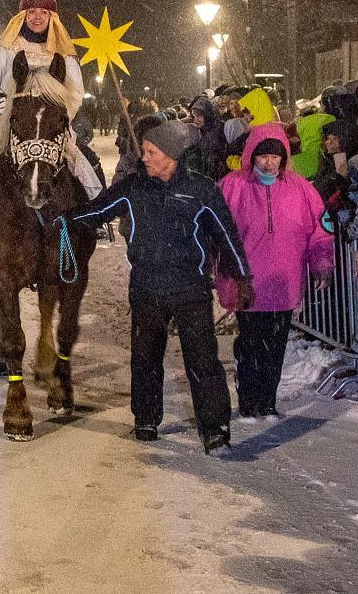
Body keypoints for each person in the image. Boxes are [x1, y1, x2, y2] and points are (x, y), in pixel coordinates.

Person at [65, 121, 252, 453]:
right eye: (145, 151)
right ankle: (147, 417)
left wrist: (242, 276)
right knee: (146, 358)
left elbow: (226, 234)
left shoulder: (201, 189)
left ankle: (215, 428)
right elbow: (98, 211)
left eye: (152, 152)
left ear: (173, 155)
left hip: (190, 290)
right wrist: (64, 219)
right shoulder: (135, 187)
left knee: (203, 361)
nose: (145, 158)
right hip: (146, 289)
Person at [0, 0, 104, 254]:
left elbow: (75, 91)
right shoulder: (7, 48)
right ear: (23, 15)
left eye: (43, 12)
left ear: (52, 17)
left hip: (51, 123)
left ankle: (93, 219)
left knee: (87, 164)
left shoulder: (63, 52)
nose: (37, 17)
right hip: (8, 120)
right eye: (32, 12)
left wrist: (59, 113)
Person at [215, 123, 334, 420]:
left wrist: (322, 263)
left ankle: (267, 401)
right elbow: (213, 226)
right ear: (251, 155)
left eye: (275, 157)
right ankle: (249, 400)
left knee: (275, 346)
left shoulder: (302, 190)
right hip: (248, 282)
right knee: (250, 343)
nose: (269, 163)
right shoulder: (232, 186)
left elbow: (319, 231)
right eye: (262, 156)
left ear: (284, 157)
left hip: (284, 283)